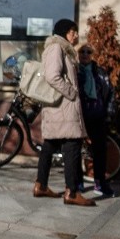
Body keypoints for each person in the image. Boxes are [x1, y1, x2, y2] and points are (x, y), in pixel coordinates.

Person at [32, 19, 94, 206]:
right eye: (72, 31)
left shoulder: (62, 49)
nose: (75, 35)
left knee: (50, 145)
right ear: (64, 32)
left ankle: (41, 185)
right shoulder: (57, 48)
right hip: (63, 108)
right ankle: (72, 192)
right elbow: (52, 76)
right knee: (72, 145)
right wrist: (71, 93)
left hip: (59, 109)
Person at [76, 43, 116, 196]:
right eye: (82, 51)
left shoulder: (99, 72)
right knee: (76, 151)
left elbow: (110, 92)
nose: (85, 54)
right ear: (78, 54)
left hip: (97, 115)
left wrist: (109, 113)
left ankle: (100, 183)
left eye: (88, 51)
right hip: (79, 117)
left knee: (100, 151)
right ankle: (78, 182)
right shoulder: (75, 71)